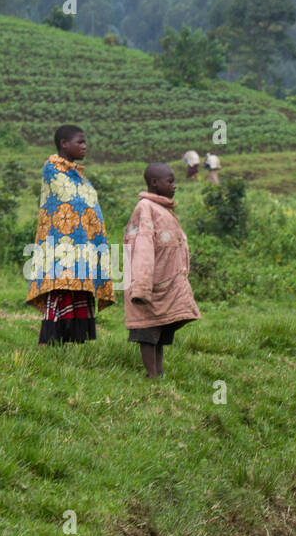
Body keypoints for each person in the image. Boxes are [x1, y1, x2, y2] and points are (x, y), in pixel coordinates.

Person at [25, 124, 114, 344]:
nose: (84, 147)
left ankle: (73, 341)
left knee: (79, 289)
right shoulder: (52, 169)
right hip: (60, 246)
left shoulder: (78, 176)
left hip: (82, 248)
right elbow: (64, 203)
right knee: (61, 288)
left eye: (85, 142)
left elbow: (87, 206)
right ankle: (52, 341)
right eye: (80, 142)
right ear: (64, 144)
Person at [122, 163, 200, 377]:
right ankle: (152, 374)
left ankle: (158, 372)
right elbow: (142, 248)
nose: (174, 185)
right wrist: (141, 287)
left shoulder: (162, 209)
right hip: (147, 284)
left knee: (160, 328)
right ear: (154, 183)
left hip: (162, 283)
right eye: (170, 181)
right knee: (147, 331)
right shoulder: (145, 208)